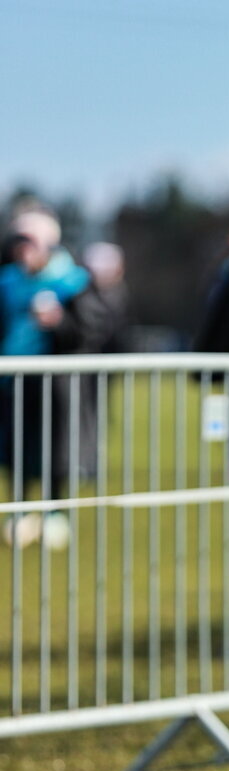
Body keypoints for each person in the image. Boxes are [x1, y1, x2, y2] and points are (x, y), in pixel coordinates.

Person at [0, 210, 90, 548]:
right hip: (13, 379)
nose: (23, 250)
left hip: (55, 384)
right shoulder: (7, 281)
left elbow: (87, 334)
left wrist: (59, 323)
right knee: (15, 449)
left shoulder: (73, 281)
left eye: (31, 242)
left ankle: (53, 514)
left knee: (55, 450)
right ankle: (21, 511)